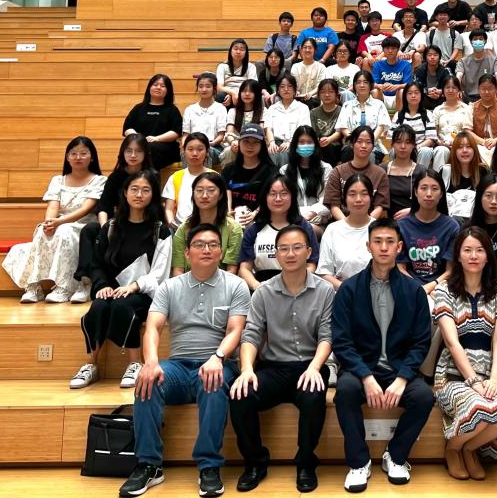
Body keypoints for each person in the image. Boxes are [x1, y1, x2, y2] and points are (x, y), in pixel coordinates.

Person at [120, 224, 250, 498]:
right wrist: (150, 362)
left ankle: (209, 467)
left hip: (217, 362)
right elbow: (153, 328)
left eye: (213, 244)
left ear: (221, 251)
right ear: (187, 252)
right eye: (199, 245)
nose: (206, 249)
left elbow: (236, 330)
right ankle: (149, 465)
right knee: (147, 381)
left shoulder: (236, 285)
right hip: (178, 366)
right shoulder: (170, 286)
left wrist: (217, 357)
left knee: (214, 381)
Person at [229, 225, 336, 493]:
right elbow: (251, 334)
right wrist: (246, 369)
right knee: (241, 395)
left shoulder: (325, 291)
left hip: (310, 365)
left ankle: (306, 463)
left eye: (297, 248)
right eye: (284, 249)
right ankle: (255, 463)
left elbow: (327, 336)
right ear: (276, 254)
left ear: (309, 252)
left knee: (313, 395)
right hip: (273, 368)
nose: (290, 254)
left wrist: (315, 367)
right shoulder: (263, 292)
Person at [331, 218, 434, 492]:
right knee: (346, 390)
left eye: (390, 242)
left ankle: (396, 455)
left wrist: (402, 378)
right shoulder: (349, 289)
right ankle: (358, 462)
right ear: (368, 246)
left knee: (424, 397)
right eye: (378, 241)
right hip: (361, 369)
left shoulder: (414, 291)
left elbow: (421, 342)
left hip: (399, 370)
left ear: (399, 247)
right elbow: (342, 341)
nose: (384, 247)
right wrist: (366, 376)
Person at [71, 170, 172, 390]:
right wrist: (102, 286)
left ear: (153, 195)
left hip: (144, 292)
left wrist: (135, 286)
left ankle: (135, 363)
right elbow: (98, 264)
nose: (139, 194)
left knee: (123, 307)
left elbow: (160, 273)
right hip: (114, 290)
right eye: (134, 189)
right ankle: (91, 364)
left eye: (145, 190)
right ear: (125, 193)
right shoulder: (111, 227)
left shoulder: (160, 230)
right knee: (98, 306)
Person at [433, 226, 497, 481]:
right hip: (453, 375)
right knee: (479, 409)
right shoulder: (444, 290)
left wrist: (494, 379)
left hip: (490, 372)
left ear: (488, 256)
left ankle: (469, 449)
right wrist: (473, 381)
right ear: (458, 255)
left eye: (479, 250)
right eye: (467, 250)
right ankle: (453, 448)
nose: (473, 256)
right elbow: (452, 342)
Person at [4, 136, 107, 303]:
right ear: (67, 157)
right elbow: (53, 206)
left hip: (83, 225)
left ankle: (64, 287)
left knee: (65, 231)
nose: (78, 157)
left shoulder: (100, 180)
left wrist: (59, 222)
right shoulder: (58, 180)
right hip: (59, 222)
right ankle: (34, 286)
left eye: (83, 153)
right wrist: (49, 222)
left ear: (92, 157)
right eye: (73, 153)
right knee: (41, 230)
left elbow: (85, 209)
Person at [72, 133, 153, 304]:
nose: (133, 155)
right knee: (89, 229)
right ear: (122, 153)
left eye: (138, 151)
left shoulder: (152, 176)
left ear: (145, 153)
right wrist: (106, 228)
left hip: (139, 224)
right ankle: (85, 282)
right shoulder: (116, 176)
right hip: (115, 224)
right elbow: (104, 207)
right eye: (128, 151)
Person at [238, 175, 320, 292]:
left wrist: (294, 284)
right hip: (262, 287)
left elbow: (311, 265)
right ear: (265, 197)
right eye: (272, 194)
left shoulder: (304, 227)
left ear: (292, 196)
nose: (278, 199)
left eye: (283, 193)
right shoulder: (254, 229)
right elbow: (244, 268)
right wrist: (258, 287)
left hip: (297, 287)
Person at [397, 170, 460, 293]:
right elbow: (400, 268)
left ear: (441, 194)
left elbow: (450, 271)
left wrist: (430, 287)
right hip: (408, 286)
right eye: (423, 188)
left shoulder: (451, 226)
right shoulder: (402, 226)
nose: (429, 194)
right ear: (416, 192)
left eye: (435, 189)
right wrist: (418, 289)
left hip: (442, 288)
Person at [170, 172, 243, 276]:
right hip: (188, 283)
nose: (204, 196)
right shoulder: (184, 228)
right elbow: (178, 270)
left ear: (221, 195)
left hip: (222, 283)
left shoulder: (233, 228)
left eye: (211, 190)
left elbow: (231, 271)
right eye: (199, 190)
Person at [316, 174, 375, 290]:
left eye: (364, 194)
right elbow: (324, 272)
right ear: (345, 198)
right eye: (352, 194)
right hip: (342, 293)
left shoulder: (380, 229)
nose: (358, 199)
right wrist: (347, 289)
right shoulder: (333, 230)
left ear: (371, 197)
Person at [323, 126, 391, 221]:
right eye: (359, 141)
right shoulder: (338, 172)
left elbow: (379, 206)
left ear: (373, 146)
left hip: (370, 223)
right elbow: (334, 205)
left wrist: (365, 224)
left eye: (368, 142)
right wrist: (347, 224)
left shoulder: (380, 174)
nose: (364, 146)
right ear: (352, 144)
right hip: (342, 222)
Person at [222, 124, 278, 230]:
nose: (250, 146)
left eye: (255, 142)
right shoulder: (229, 169)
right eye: (246, 141)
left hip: (261, 221)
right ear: (239, 143)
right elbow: (225, 192)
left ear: (262, 145)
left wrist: (256, 213)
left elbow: (273, 196)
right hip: (232, 221)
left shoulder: (271, 171)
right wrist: (228, 213)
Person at [123, 74, 182, 170]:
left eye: (163, 86)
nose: (158, 87)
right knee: (129, 148)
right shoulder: (139, 108)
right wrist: (138, 139)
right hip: (140, 145)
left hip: (165, 148)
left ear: (168, 91)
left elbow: (176, 132)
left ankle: (148, 176)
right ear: (149, 87)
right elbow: (127, 128)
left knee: (151, 148)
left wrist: (156, 138)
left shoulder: (172, 110)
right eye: (155, 84)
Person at [280, 125, 333, 227]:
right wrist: (297, 217)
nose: (305, 145)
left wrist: (310, 214)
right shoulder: (284, 170)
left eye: (309, 142)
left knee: (307, 228)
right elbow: (285, 200)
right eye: (301, 142)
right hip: (292, 218)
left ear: (315, 144)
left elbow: (325, 199)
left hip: (317, 219)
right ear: (295, 145)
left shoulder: (326, 168)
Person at [338, 71, 392, 162]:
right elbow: (343, 127)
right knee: (348, 151)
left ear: (371, 85)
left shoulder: (379, 104)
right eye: (358, 82)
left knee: (370, 155)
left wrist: (368, 142)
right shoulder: (347, 105)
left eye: (365, 82)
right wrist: (356, 141)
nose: (362, 85)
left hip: (373, 145)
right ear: (354, 86)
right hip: (352, 144)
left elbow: (381, 126)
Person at [163, 133, 213, 229]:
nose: (195, 153)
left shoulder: (215, 177)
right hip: (180, 227)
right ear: (184, 151)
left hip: (209, 228)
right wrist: (174, 226)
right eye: (190, 149)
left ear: (207, 152)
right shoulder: (175, 177)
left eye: (200, 149)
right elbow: (169, 209)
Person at [395, 81, 444, 169]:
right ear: (405, 96)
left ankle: (420, 175)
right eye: (410, 93)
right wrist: (405, 147)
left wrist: (417, 147)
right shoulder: (398, 115)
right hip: (402, 146)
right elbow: (392, 138)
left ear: (421, 95)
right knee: (393, 151)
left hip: (421, 147)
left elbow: (431, 139)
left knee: (426, 151)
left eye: (416, 93)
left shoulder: (428, 114)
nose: (413, 96)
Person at [441, 131, 488, 220]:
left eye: (468, 147)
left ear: (474, 149)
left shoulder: (483, 171)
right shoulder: (446, 171)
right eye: (460, 147)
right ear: (454, 151)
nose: (464, 150)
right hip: (451, 221)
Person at [182, 73, 226, 168]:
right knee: (185, 153)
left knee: (205, 152)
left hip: (214, 146)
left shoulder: (221, 108)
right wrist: (185, 146)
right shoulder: (189, 109)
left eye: (208, 86)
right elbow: (185, 135)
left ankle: (204, 177)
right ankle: (188, 178)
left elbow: (221, 135)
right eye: (201, 86)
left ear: (214, 89)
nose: (204, 89)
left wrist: (209, 144)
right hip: (193, 145)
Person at [384, 125, 427, 220]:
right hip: (387, 221)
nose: (403, 146)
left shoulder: (421, 171)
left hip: (414, 219)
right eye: (398, 142)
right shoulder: (383, 169)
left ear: (413, 145)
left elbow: (428, 200)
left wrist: (413, 210)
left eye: (408, 142)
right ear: (392, 144)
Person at [266, 73, 310, 165]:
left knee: (285, 154)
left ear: (295, 90)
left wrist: (290, 142)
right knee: (271, 152)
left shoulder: (303, 108)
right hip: (275, 142)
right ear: (278, 90)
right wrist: (271, 143)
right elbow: (268, 128)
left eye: (290, 86)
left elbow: (303, 130)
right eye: (282, 86)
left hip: (295, 143)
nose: (286, 89)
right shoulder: (272, 108)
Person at [469, 74, 497, 162]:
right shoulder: (472, 107)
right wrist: (483, 142)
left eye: (490, 88)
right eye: (483, 88)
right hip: (479, 144)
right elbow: (467, 131)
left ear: (496, 89)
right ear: (478, 90)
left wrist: (496, 140)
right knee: (479, 151)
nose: (486, 92)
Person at [223, 79, 266, 167]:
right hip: (236, 142)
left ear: (257, 94)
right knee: (228, 151)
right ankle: (229, 175)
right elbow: (229, 133)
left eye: (251, 91)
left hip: (255, 143)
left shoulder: (263, 111)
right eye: (244, 91)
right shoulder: (233, 111)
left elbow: (261, 132)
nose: (247, 94)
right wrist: (233, 142)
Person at [456, 28, 497, 103]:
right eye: (475, 39)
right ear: (471, 42)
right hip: (470, 97)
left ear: (485, 41)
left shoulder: (494, 60)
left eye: (481, 39)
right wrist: (457, 89)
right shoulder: (463, 61)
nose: (478, 41)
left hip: (489, 96)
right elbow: (458, 76)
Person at [431, 76, 474, 157]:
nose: (450, 90)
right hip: (442, 145)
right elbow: (434, 133)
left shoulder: (466, 109)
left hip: (462, 145)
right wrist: (441, 143)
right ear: (443, 90)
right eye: (447, 87)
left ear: (459, 90)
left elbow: (468, 132)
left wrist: (458, 143)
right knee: (442, 150)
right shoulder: (437, 110)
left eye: (454, 88)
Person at [310, 79, 345, 166]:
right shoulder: (313, 112)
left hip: (336, 146)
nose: (327, 95)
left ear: (337, 94)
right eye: (323, 92)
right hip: (319, 145)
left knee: (329, 147)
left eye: (331, 92)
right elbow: (313, 133)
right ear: (318, 95)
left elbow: (340, 132)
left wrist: (329, 140)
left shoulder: (342, 111)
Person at [372, 36, 413, 110]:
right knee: (375, 91)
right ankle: (377, 115)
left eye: (393, 48)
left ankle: (399, 116)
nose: (390, 51)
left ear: (398, 50)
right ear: (383, 50)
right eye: (387, 48)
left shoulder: (406, 64)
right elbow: (372, 84)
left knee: (402, 91)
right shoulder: (378, 64)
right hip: (382, 96)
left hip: (398, 97)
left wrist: (396, 87)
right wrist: (381, 86)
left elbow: (408, 84)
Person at [215, 38, 258, 107]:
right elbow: (219, 87)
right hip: (227, 94)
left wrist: (239, 94)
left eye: (242, 49)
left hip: (245, 93)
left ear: (246, 53)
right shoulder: (222, 66)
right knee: (220, 96)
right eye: (235, 49)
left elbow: (252, 86)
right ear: (230, 51)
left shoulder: (251, 66)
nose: (238, 52)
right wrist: (232, 93)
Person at [412, 45, 450, 110]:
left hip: (441, 98)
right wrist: (427, 91)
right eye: (429, 55)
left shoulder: (445, 70)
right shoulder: (419, 70)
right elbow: (415, 87)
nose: (432, 57)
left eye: (435, 55)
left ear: (439, 57)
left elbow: (451, 86)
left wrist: (440, 92)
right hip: (424, 99)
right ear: (425, 57)